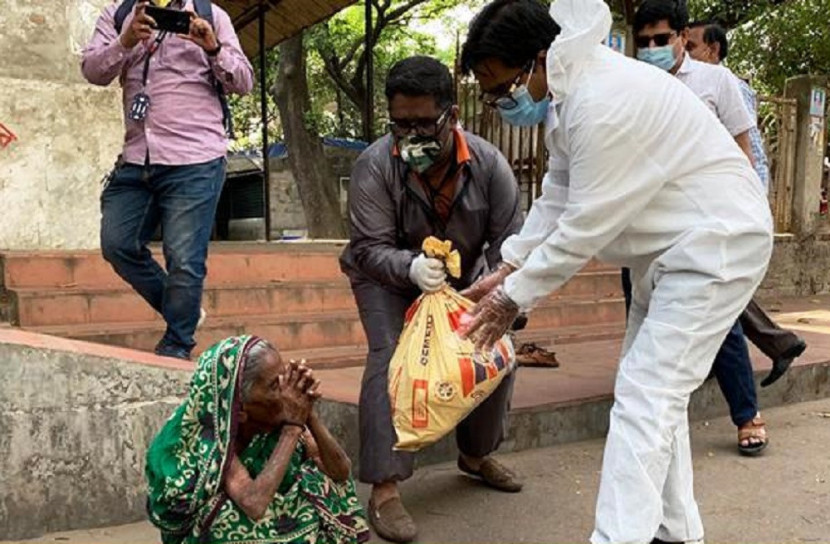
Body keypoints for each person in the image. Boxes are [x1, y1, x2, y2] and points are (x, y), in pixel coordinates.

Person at [459, 0, 772, 542]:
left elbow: (585, 225)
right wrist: (511, 261)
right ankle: (676, 530)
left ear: (538, 60)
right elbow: (558, 195)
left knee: (645, 396)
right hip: (673, 252)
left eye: (498, 85)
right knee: (655, 396)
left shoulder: (601, 102)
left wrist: (514, 295)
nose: (495, 101)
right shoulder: (571, 98)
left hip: (716, 244)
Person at [339, 55, 524, 543]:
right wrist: (410, 267)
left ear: (452, 115)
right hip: (385, 278)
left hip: (468, 281)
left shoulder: (489, 165)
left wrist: (497, 289)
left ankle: (476, 454)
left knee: (492, 353)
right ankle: (384, 486)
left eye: (424, 123)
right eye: (401, 124)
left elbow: (511, 241)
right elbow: (368, 248)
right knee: (390, 359)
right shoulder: (374, 166)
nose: (412, 135)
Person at [636, 1, 807, 455]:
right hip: (647, 225)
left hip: (706, 222)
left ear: (681, 36)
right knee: (640, 313)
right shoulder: (635, 85)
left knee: (724, 322)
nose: (652, 48)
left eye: (662, 39)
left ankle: (747, 415)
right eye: (644, 41)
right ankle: (648, 421)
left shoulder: (716, 81)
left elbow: (743, 151)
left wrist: (739, 216)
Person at [82, 0, 254, 360]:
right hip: (136, 156)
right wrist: (125, 41)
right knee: (118, 244)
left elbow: (244, 81)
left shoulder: (212, 16)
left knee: (184, 259)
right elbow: (93, 70)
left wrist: (212, 48)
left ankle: (177, 345)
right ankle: (185, 311)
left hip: (196, 158)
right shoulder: (118, 14)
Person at [145, 335, 370, 544]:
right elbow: (253, 503)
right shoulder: (212, 432)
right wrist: (292, 429)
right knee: (223, 520)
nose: (285, 390)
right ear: (239, 408)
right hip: (203, 528)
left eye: (285, 378)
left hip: (265, 504)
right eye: (274, 385)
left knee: (322, 483)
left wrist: (307, 412)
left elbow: (340, 472)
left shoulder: (279, 412)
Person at [688, 21, 807, 378]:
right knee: (713, 283)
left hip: (727, 206)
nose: (685, 51)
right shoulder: (689, 85)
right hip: (708, 203)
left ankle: (774, 346)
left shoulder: (729, 86)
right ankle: (777, 343)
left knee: (715, 284)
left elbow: (749, 149)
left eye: (691, 46)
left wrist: (748, 206)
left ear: (713, 50)